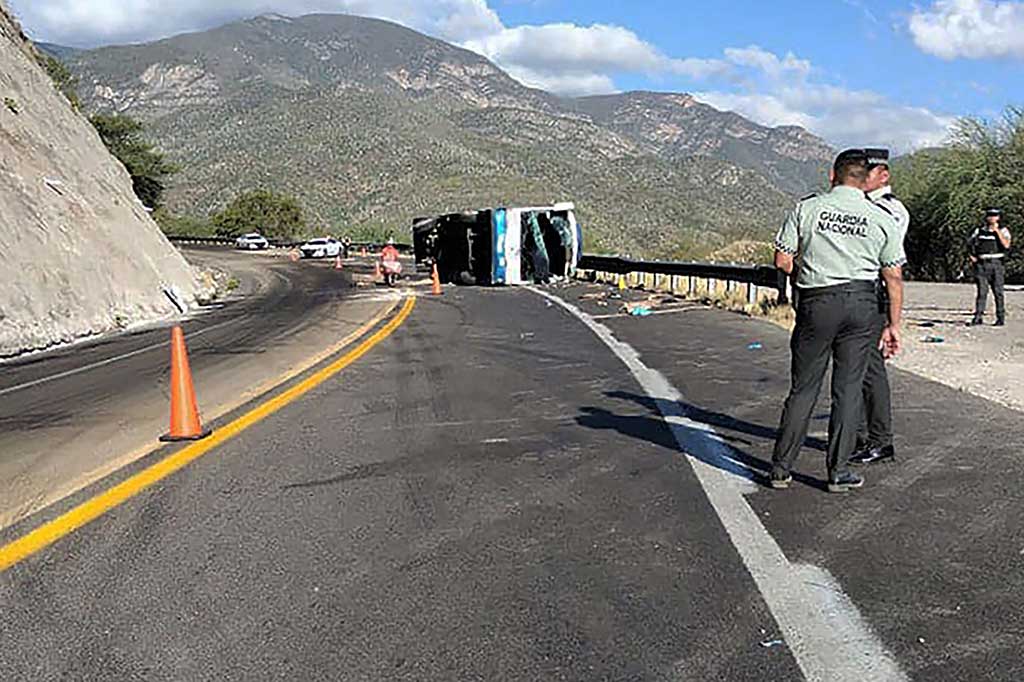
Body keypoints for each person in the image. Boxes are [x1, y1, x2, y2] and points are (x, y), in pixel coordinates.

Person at [771, 149, 906, 493]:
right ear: (865, 180)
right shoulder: (881, 217)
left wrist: (804, 273)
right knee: (848, 389)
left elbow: (782, 260)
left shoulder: (807, 208)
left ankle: (781, 469)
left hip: (817, 302)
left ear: (832, 175)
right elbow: (893, 276)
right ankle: (838, 472)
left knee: (803, 388)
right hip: (861, 305)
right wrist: (893, 324)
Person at [851, 149, 911, 466]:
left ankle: (880, 440)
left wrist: (892, 320)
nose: (862, 177)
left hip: (875, 293)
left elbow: (888, 262)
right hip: (858, 293)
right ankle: (858, 435)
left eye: (868, 172)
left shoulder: (889, 209)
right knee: (857, 367)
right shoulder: (862, 205)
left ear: (883, 175)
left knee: (871, 369)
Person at [968, 209, 1011, 326]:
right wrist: (972, 257)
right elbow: (970, 244)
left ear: (998, 218)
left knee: (998, 292)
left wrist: (997, 232)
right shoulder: (979, 231)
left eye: (994, 216)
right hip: (982, 264)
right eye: (990, 215)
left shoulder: (1003, 230)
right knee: (982, 292)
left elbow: (1006, 245)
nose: (992, 218)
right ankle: (978, 317)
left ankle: (1000, 317)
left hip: (996, 263)